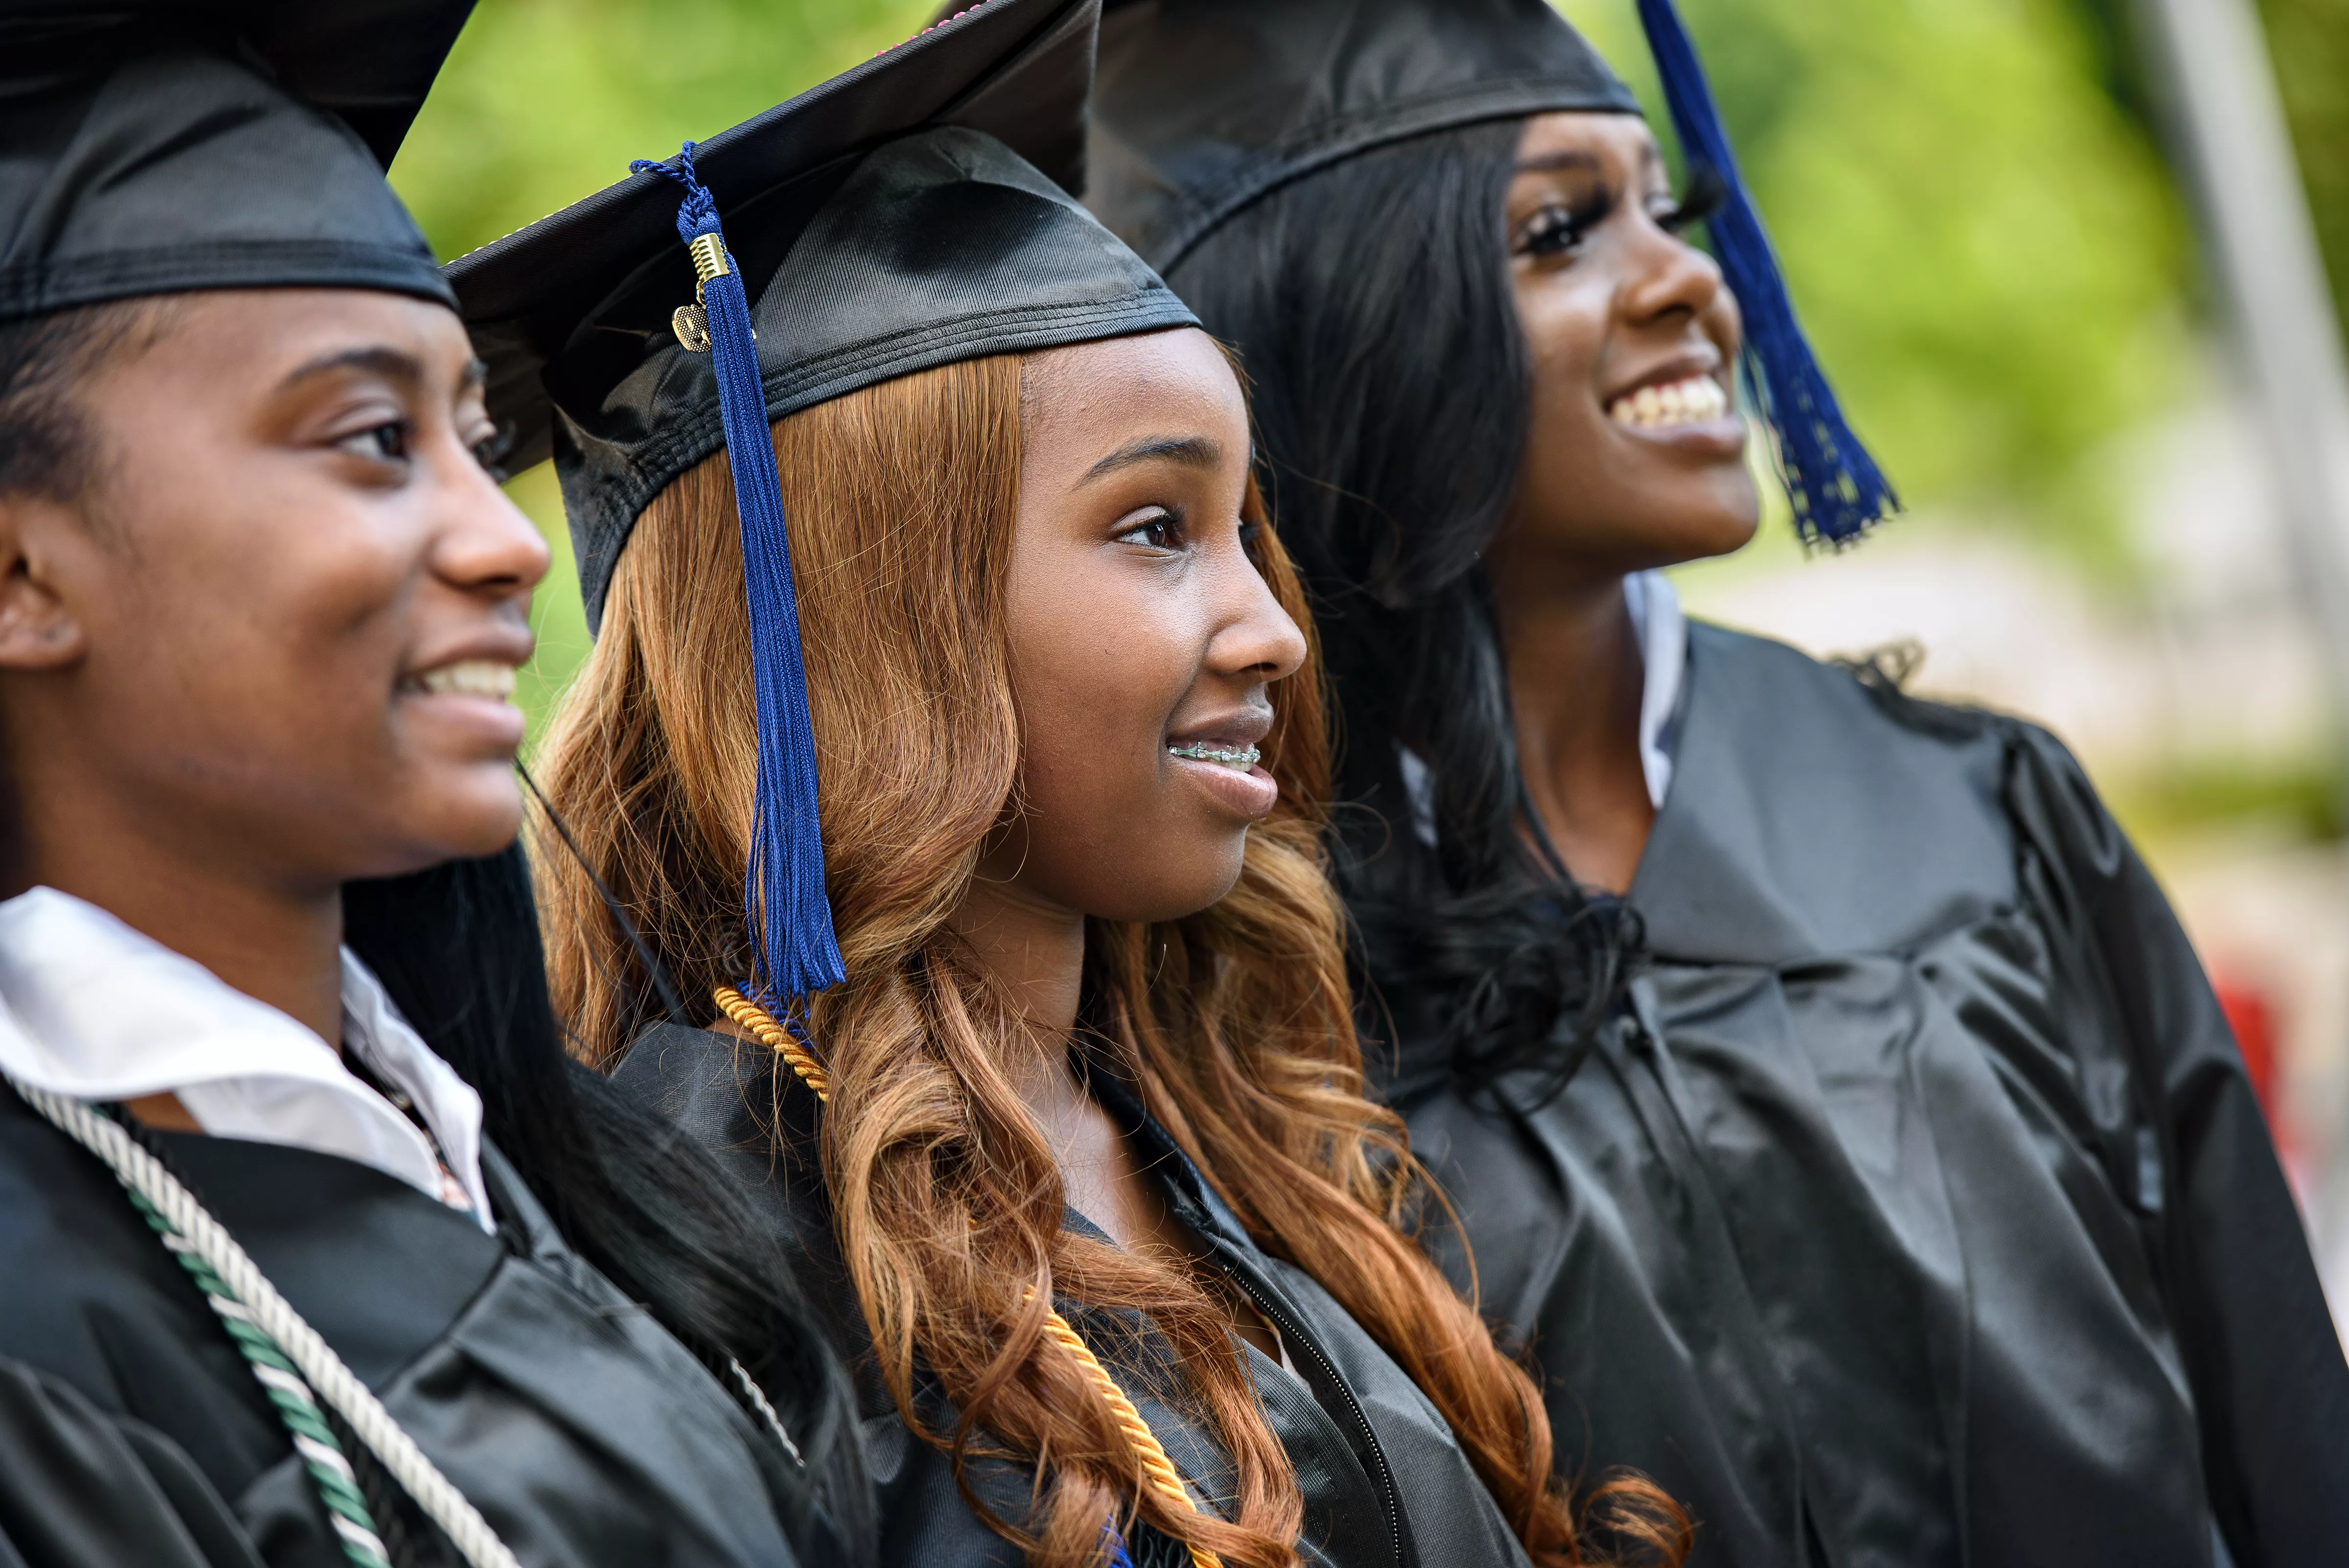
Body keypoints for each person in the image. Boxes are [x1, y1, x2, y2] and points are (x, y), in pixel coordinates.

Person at [1083, 1, 2349, 1565]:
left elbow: (2282, 1428)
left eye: (1664, 211)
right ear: (1354, 329)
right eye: (1562, 232)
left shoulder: (1978, 817)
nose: (1690, 276)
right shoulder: (1232, 982)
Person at [448, 2, 1686, 1565]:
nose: (1277, 631)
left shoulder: (1211, 1112)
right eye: (1158, 528)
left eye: (1251, 528)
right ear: (869, 610)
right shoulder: (705, 1250)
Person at [0, 5, 867, 1564]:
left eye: (476, 439)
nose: (509, 538)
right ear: (19, 569)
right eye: (375, 440)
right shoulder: (41, 1326)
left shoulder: (542, 1173)